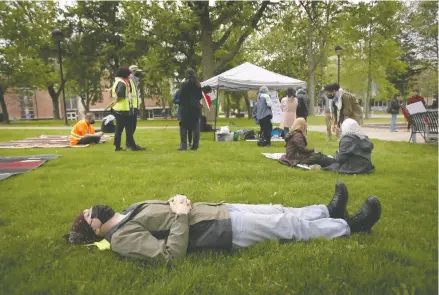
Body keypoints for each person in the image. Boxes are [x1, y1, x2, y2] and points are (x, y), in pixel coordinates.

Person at [65, 181, 382, 262]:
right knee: (287, 226)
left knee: (278, 208)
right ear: (94, 229)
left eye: (87, 208)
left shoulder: (128, 210)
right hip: (219, 230)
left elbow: (168, 209)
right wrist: (179, 214)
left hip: (220, 209)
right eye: (88, 215)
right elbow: (169, 256)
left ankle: (328, 212)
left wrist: (179, 201)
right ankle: (351, 227)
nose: (92, 208)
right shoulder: (121, 240)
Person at [110, 67, 141, 152]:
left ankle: (118, 147)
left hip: (119, 109)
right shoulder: (122, 83)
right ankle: (132, 146)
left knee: (119, 129)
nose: (129, 76)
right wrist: (118, 99)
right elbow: (120, 94)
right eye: (128, 74)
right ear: (124, 75)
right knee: (129, 129)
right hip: (123, 110)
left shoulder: (118, 81)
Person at [177, 68, 203, 151]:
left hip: (186, 108)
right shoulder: (198, 84)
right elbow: (200, 96)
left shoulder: (184, 84)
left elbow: (180, 95)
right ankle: (195, 146)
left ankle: (183, 146)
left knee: (183, 127)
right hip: (196, 108)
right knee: (196, 128)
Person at [127, 65, 146, 150]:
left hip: (134, 106)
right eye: (137, 72)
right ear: (133, 71)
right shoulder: (131, 80)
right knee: (132, 126)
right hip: (131, 106)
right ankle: (130, 144)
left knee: (132, 126)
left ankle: (129, 143)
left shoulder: (133, 80)